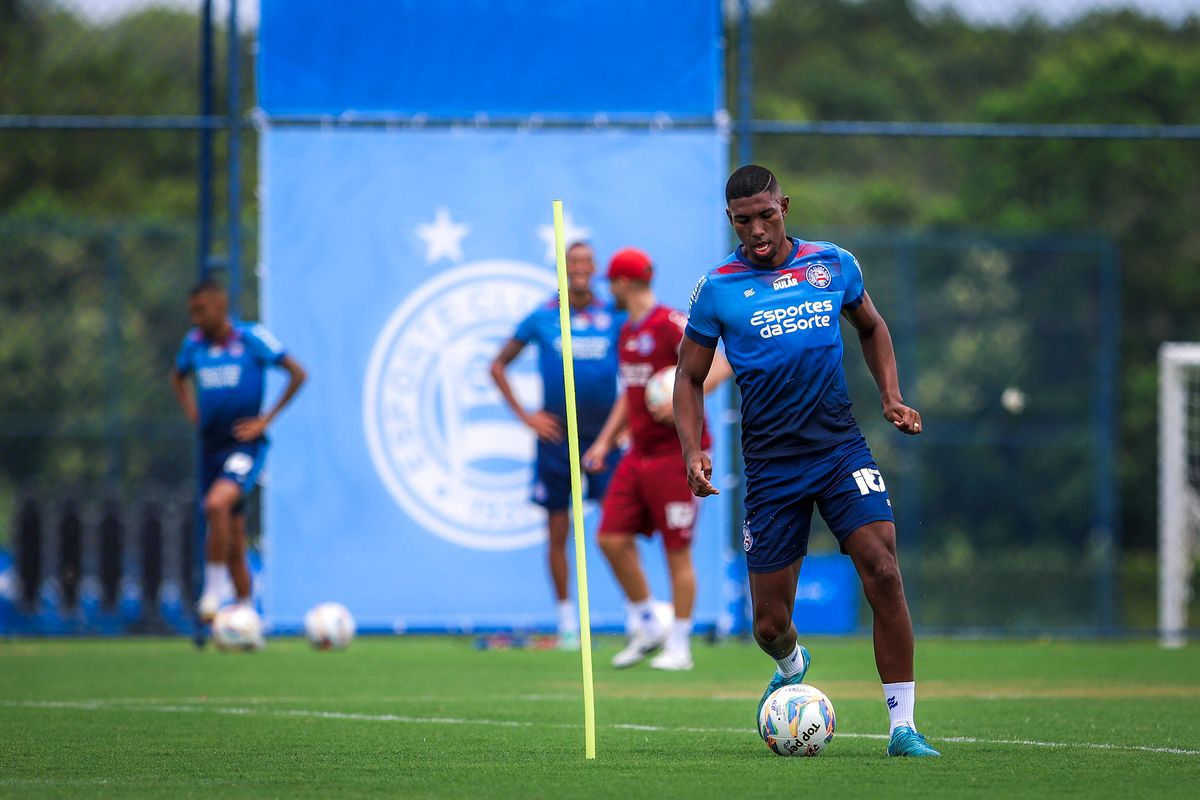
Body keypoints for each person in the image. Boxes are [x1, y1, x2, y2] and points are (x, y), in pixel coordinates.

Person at [674, 164, 941, 757]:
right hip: (770, 467)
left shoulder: (832, 264)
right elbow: (688, 379)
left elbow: (871, 327)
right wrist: (693, 451)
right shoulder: (717, 288)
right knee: (768, 625)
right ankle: (791, 661)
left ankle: (903, 728)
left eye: (766, 216)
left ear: (784, 206)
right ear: (731, 221)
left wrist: (891, 396)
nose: (757, 230)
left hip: (839, 447)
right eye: (744, 221)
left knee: (884, 568)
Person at [582, 247, 730, 672]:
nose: (608, 290)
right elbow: (630, 396)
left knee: (676, 552)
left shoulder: (668, 324)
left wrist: (675, 400)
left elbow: (720, 366)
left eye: (610, 283)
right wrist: (604, 442)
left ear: (622, 284)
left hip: (676, 453)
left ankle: (679, 645)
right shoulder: (626, 332)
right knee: (610, 537)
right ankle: (649, 623)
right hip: (637, 454)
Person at [490, 241, 623, 650]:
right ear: (562, 269)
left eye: (586, 261)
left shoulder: (613, 316)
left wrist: (626, 424)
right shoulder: (543, 316)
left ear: (595, 268)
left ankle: (639, 617)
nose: (580, 268)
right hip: (556, 439)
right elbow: (497, 365)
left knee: (619, 529)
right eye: (572, 262)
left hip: (603, 437)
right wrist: (527, 416)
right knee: (557, 528)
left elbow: (640, 364)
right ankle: (567, 622)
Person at [170, 278, 307, 629]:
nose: (196, 318)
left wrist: (267, 420)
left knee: (216, 504)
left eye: (201, 310)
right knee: (231, 539)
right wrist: (192, 411)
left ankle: (213, 591)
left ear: (220, 305)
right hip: (211, 447)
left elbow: (296, 372)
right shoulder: (193, 345)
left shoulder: (251, 339)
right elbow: (177, 377)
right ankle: (247, 615)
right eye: (191, 312)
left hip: (244, 445)